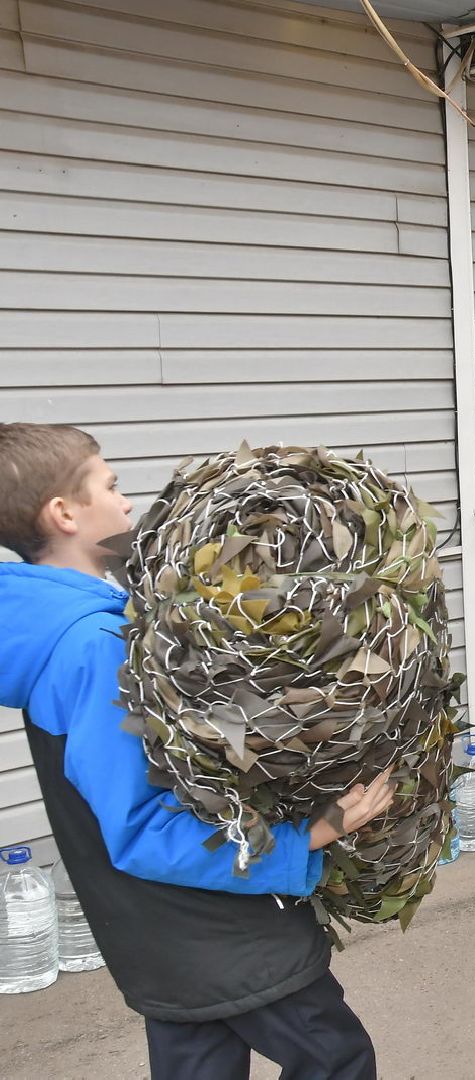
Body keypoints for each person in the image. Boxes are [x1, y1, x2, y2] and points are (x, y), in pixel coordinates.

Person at [0, 423, 395, 1080]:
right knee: (337, 1059)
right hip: (212, 930)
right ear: (63, 513)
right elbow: (142, 827)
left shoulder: (64, 623)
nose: (126, 503)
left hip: (158, 939)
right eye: (111, 485)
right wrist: (309, 836)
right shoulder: (94, 645)